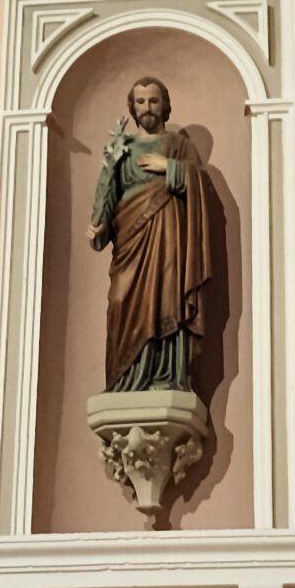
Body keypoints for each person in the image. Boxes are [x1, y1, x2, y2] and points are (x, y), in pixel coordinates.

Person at [87, 76, 213, 395]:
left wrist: (170, 167)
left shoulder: (178, 145)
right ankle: (125, 380)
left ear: (164, 106)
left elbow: (198, 187)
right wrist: (99, 226)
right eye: (141, 102)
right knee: (120, 300)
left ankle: (168, 375)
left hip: (168, 239)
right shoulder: (121, 148)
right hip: (130, 240)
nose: (147, 108)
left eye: (154, 101)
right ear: (132, 107)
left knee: (165, 297)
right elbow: (107, 195)